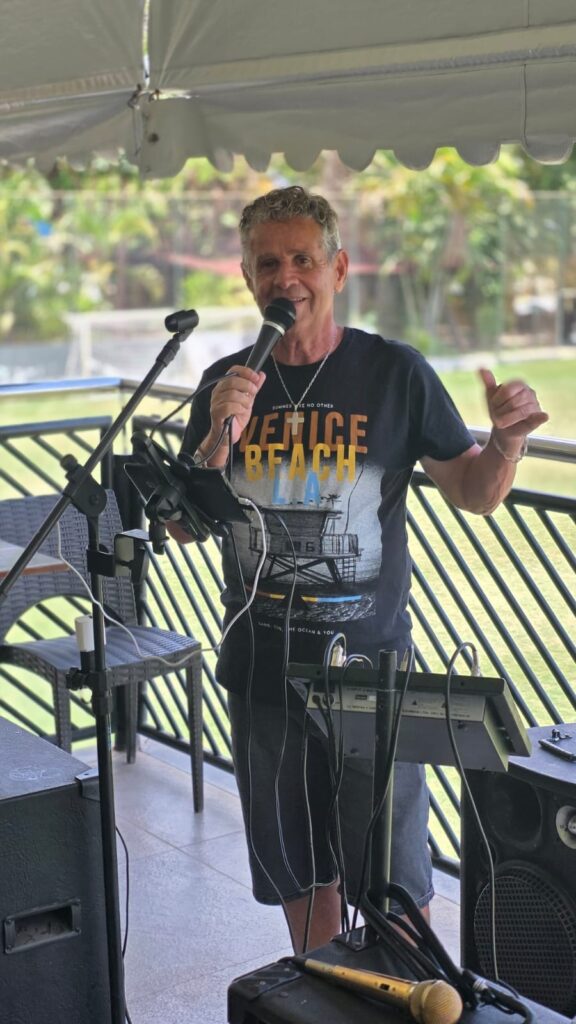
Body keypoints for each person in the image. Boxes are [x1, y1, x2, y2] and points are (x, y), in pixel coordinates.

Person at [170, 185, 548, 954]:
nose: (286, 278)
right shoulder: (224, 384)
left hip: (369, 678)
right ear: (247, 277)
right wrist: (215, 440)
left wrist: (507, 443)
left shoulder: (394, 373)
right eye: (267, 263)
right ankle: (320, 990)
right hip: (261, 674)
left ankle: (407, 992)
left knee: (395, 881)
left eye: (302, 259)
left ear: (338, 269)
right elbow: (182, 524)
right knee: (298, 876)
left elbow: (475, 493)